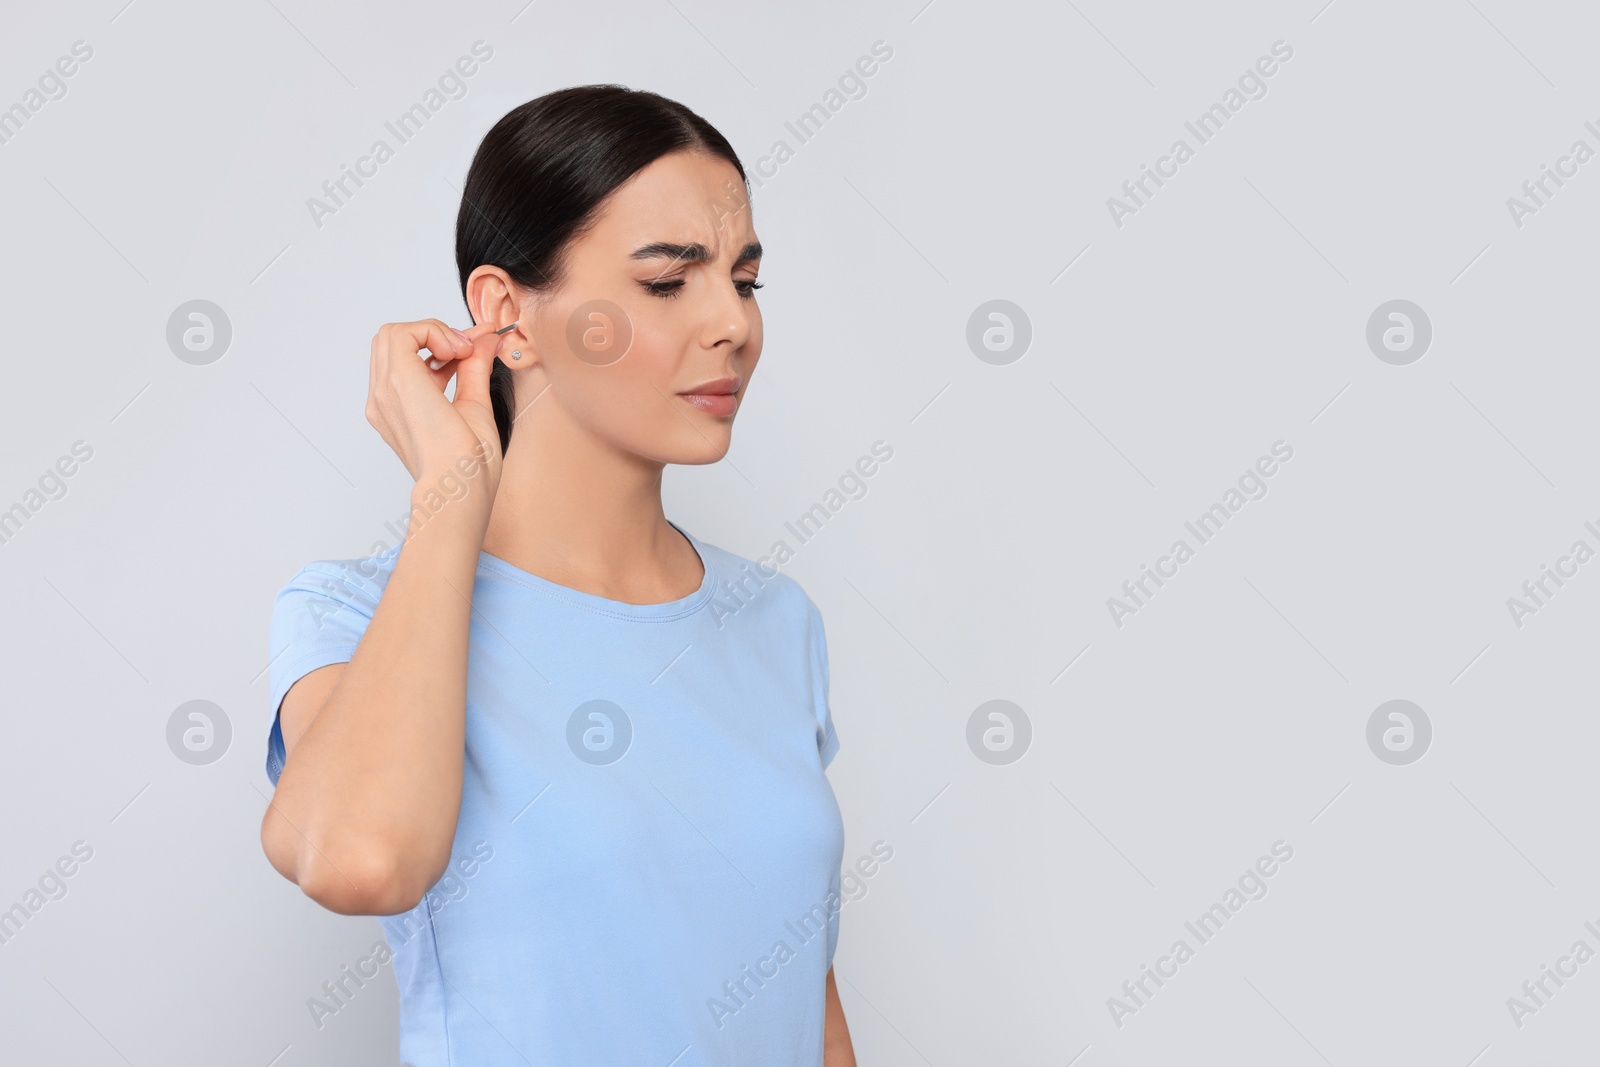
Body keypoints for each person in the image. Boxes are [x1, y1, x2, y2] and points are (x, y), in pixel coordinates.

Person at [258, 84, 856, 1066]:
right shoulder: (351, 612)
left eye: (744, 282)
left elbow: (805, 998)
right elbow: (359, 857)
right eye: (669, 282)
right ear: (507, 314)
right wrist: (452, 488)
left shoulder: (774, 619)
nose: (732, 326)